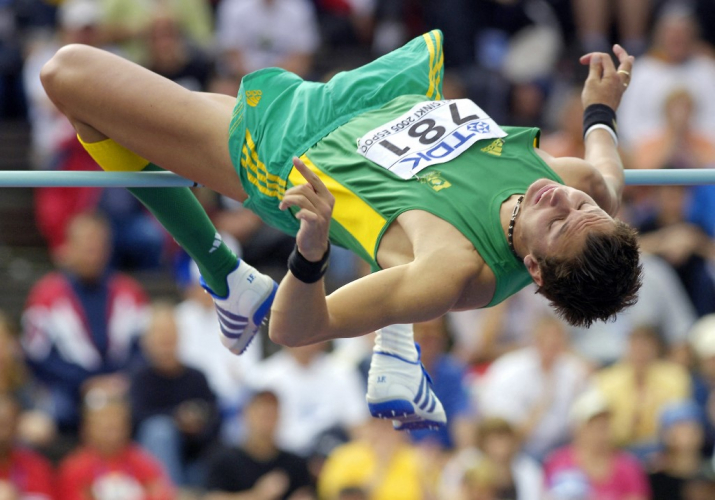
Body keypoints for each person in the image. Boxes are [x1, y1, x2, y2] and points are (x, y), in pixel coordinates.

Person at [39, 30, 641, 430]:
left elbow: (299, 327)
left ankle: (225, 271)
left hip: (289, 152)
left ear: (534, 269)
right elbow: (604, 169)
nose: (558, 198)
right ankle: (264, 293)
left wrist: (310, 250)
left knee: (70, 76)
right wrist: (601, 109)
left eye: (558, 223)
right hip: (356, 102)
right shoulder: (578, 185)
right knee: (114, 109)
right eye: (578, 207)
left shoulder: (453, 266)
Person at [204, 390, 314, 500]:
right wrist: (258, 495)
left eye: (272, 414)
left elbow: (306, 495)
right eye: (262, 414)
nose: (266, 421)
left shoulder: (295, 464)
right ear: (246, 415)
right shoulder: (224, 460)